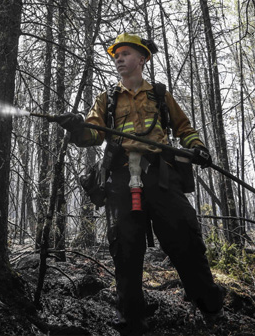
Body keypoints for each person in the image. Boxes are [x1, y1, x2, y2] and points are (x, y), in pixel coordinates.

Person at [57, 33, 225, 335]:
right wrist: (76, 127)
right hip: (121, 181)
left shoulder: (160, 95)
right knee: (125, 250)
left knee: (184, 240)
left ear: (142, 58)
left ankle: (210, 307)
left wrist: (198, 147)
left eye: (125, 53)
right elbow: (93, 134)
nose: (118, 59)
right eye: (115, 55)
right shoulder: (106, 99)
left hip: (161, 177)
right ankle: (131, 322)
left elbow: (184, 128)